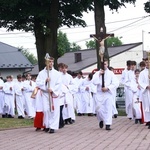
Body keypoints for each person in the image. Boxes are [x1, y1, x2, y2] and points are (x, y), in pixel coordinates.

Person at [36, 55, 62, 133]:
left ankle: (52, 126)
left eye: (52, 62)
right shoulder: (41, 73)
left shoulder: (57, 73)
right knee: (46, 109)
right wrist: (45, 81)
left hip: (53, 94)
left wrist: (53, 89)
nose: (50, 63)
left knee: (53, 110)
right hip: (45, 94)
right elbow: (38, 82)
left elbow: (59, 84)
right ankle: (47, 125)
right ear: (45, 63)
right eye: (49, 62)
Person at [92, 59, 119, 130]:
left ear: (107, 65)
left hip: (107, 93)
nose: (104, 65)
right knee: (98, 109)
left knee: (108, 109)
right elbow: (94, 82)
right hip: (99, 94)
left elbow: (116, 83)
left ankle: (108, 124)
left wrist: (108, 88)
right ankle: (101, 119)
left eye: (105, 64)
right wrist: (99, 75)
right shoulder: (97, 73)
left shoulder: (111, 73)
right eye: (103, 64)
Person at [138, 58, 150, 129]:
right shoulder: (142, 73)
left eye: (149, 62)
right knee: (147, 106)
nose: (148, 63)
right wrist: (146, 86)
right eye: (146, 62)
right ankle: (148, 120)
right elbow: (140, 82)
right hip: (146, 91)